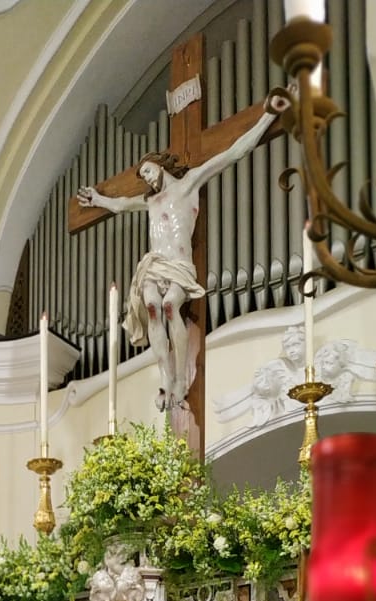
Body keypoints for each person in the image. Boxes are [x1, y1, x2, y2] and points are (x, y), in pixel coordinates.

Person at [76, 87, 293, 412]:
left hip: (179, 265)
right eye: (144, 176)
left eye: (149, 171)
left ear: (160, 165)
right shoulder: (150, 201)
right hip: (155, 264)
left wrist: (268, 116)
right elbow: (120, 205)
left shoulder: (189, 183)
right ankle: (166, 378)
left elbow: (234, 152)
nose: (147, 179)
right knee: (151, 307)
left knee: (168, 306)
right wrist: (97, 198)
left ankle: (179, 378)